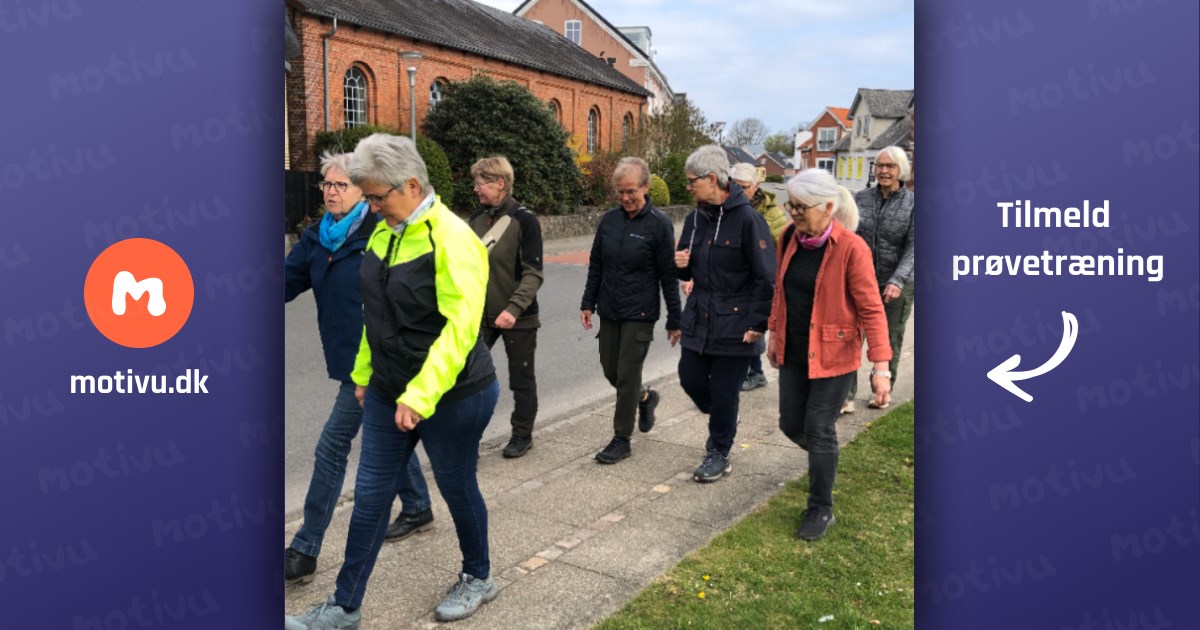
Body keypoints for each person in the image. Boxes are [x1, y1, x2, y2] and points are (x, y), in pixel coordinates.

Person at [285, 134, 499, 629]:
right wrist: (363, 376)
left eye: (379, 196)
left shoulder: (452, 237)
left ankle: (478, 576)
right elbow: (375, 316)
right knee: (371, 495)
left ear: (410, 184)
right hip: (387, 389)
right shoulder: (386, 232)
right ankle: (343, 608)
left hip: (455, 393)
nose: (374, 206)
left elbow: (461, 329)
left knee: (456, 485)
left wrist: (422, 395)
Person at [283, 152, 433, 587]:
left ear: (362, 191)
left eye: (341, 185)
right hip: (345, 356)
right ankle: (419, 505)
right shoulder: (317, 238)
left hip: (377, 360)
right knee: (384, 431)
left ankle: (306, 549)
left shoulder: (380, 234)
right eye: (326, 185)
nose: (331, 191)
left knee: (331, 447)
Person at [768, 168, 892, 541]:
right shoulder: (788, 237)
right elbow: (780, 290)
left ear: (827, 207)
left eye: (801, 207)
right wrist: (774, 333)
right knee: (791, 424)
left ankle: (820, 508)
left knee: (819, 428)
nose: (794, 214)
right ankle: (827, 461)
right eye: (790, 206)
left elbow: (872, 309)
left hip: (835, 353)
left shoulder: (852, 248)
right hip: (793, 348)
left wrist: (881, 367)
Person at [674, 145, 776, 483]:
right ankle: (722, 418)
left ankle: (719, 451)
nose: (688, 187)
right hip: (699, 315)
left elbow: (765, 277)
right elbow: (685, 269)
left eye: (692, 181)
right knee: (689, 377)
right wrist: (680, 266)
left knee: (724, 392)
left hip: (736, 322)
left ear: (713, 179)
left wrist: (758, 323)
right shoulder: (695, 218)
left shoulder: (749, 220)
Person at [580, 157, 682, 464]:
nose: (625, 198)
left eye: (631, 191)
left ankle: (621, 439)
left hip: (640, 312)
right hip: (610, 309)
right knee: (611, 370)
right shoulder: (609, 220)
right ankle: (645, 398)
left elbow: (668, 275)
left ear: (646, 187)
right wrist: (588, 302)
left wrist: (675, 319)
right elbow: (596, 264)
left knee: (626, 374)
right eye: (620, 192)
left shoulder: (659, 225)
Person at [467, 156, 544, 459]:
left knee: (521, 378)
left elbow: (533, 273)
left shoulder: (524, 220)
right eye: (475, 183)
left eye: (481, 183)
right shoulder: (475, 219)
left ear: (500, 183)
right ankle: (467, 438)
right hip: (479, 316)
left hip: (518, 317)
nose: (476, 189)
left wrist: (512, 309)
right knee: (468, 378)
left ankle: (522, 434)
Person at [843, 146, 914, 414]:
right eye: (880, 165)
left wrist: (897, 280)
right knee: (850, 337)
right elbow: (848, 235)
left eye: (890, 166)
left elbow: (915, 247)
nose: (883, 170)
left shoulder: (913, 203)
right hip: (861, 282)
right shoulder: (861, 198)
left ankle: (882, 390)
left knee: (889, 337)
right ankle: (845, 395)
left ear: (901, 171)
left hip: (898, 282)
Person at [729, 162, 789, 392]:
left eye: (743, 187)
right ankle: (741, 370)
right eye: (734, 185)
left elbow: (781, 249)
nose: (738, 191)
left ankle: (756, 372)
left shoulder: (773, 215)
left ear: (756, 186)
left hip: (760, 280)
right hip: (734, 279)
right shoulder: (725, 209)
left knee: (753, 324)